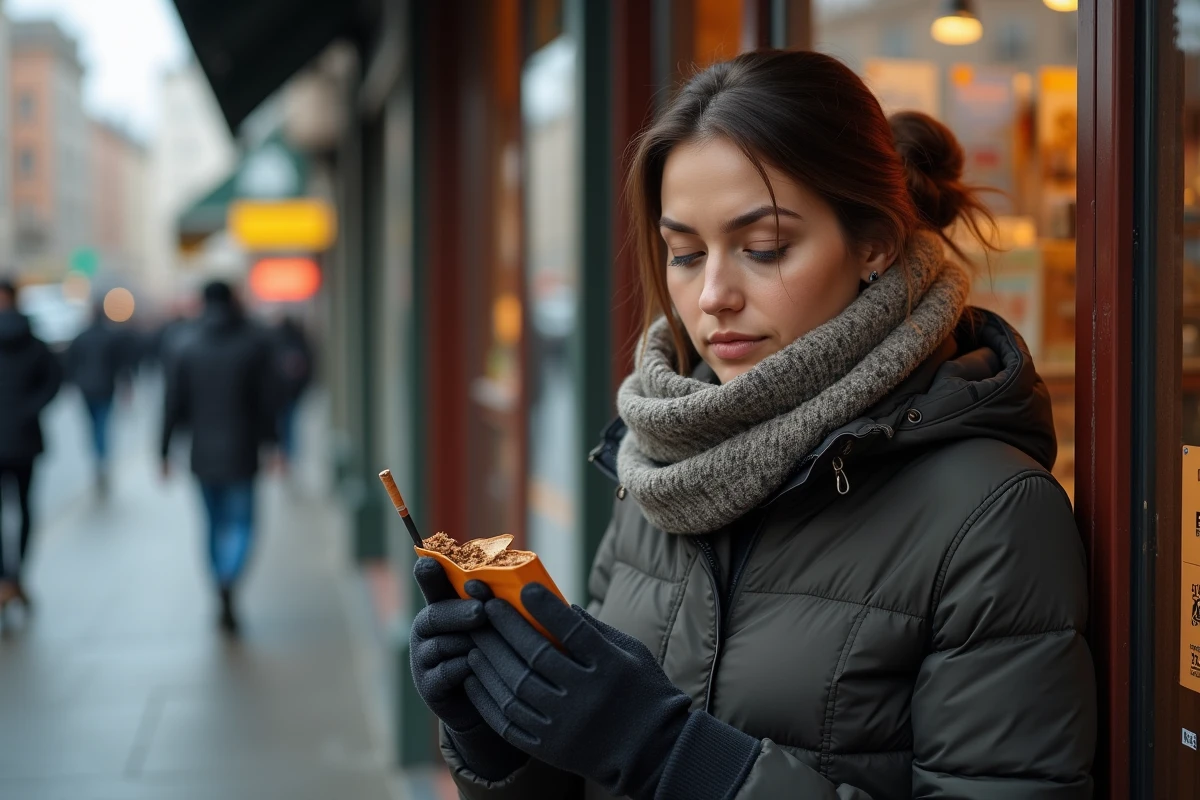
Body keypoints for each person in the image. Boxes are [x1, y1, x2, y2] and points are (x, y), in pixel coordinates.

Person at [411, 50, 1096, 799]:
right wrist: (500, 738)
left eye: (763, 248)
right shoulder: (661, 463)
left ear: (874, 243)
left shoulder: (991, 513)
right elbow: (592, 776)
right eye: (683, 253)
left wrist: (665, 750)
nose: (712, 295)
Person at [161, 281, 280, 634]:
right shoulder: (254, 345)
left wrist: (163, 450)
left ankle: (220, 582)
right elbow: (268, 402)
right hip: (243, 451)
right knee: (242, 524)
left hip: (202, 454)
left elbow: (172, 404)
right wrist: (274, 444)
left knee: (213, 524)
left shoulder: (185, 345)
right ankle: (230, 578)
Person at [0, 278, 62, 614]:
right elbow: (54, 381)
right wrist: (28, 410)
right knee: (24, 509)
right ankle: (16, 577)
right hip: (25, 440)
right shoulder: (34, 341)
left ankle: (4, 579)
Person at [65, 302, 131, 497]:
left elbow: (71, 363)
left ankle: (97, 458)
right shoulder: (110, 336)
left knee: (93, 426)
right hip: (105, 388)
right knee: (103, 425)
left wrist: (73, 383)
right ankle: (101, 458)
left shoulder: (81, 337)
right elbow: (121, 363)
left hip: (86, 389)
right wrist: (127, 385)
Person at [270, 314, 314, 467]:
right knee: (289, 424)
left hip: (283, 393)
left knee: (284, 424)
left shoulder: (275, 342)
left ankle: (286, 454)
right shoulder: (298, 342)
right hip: (291, 393)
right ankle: (288, 454)